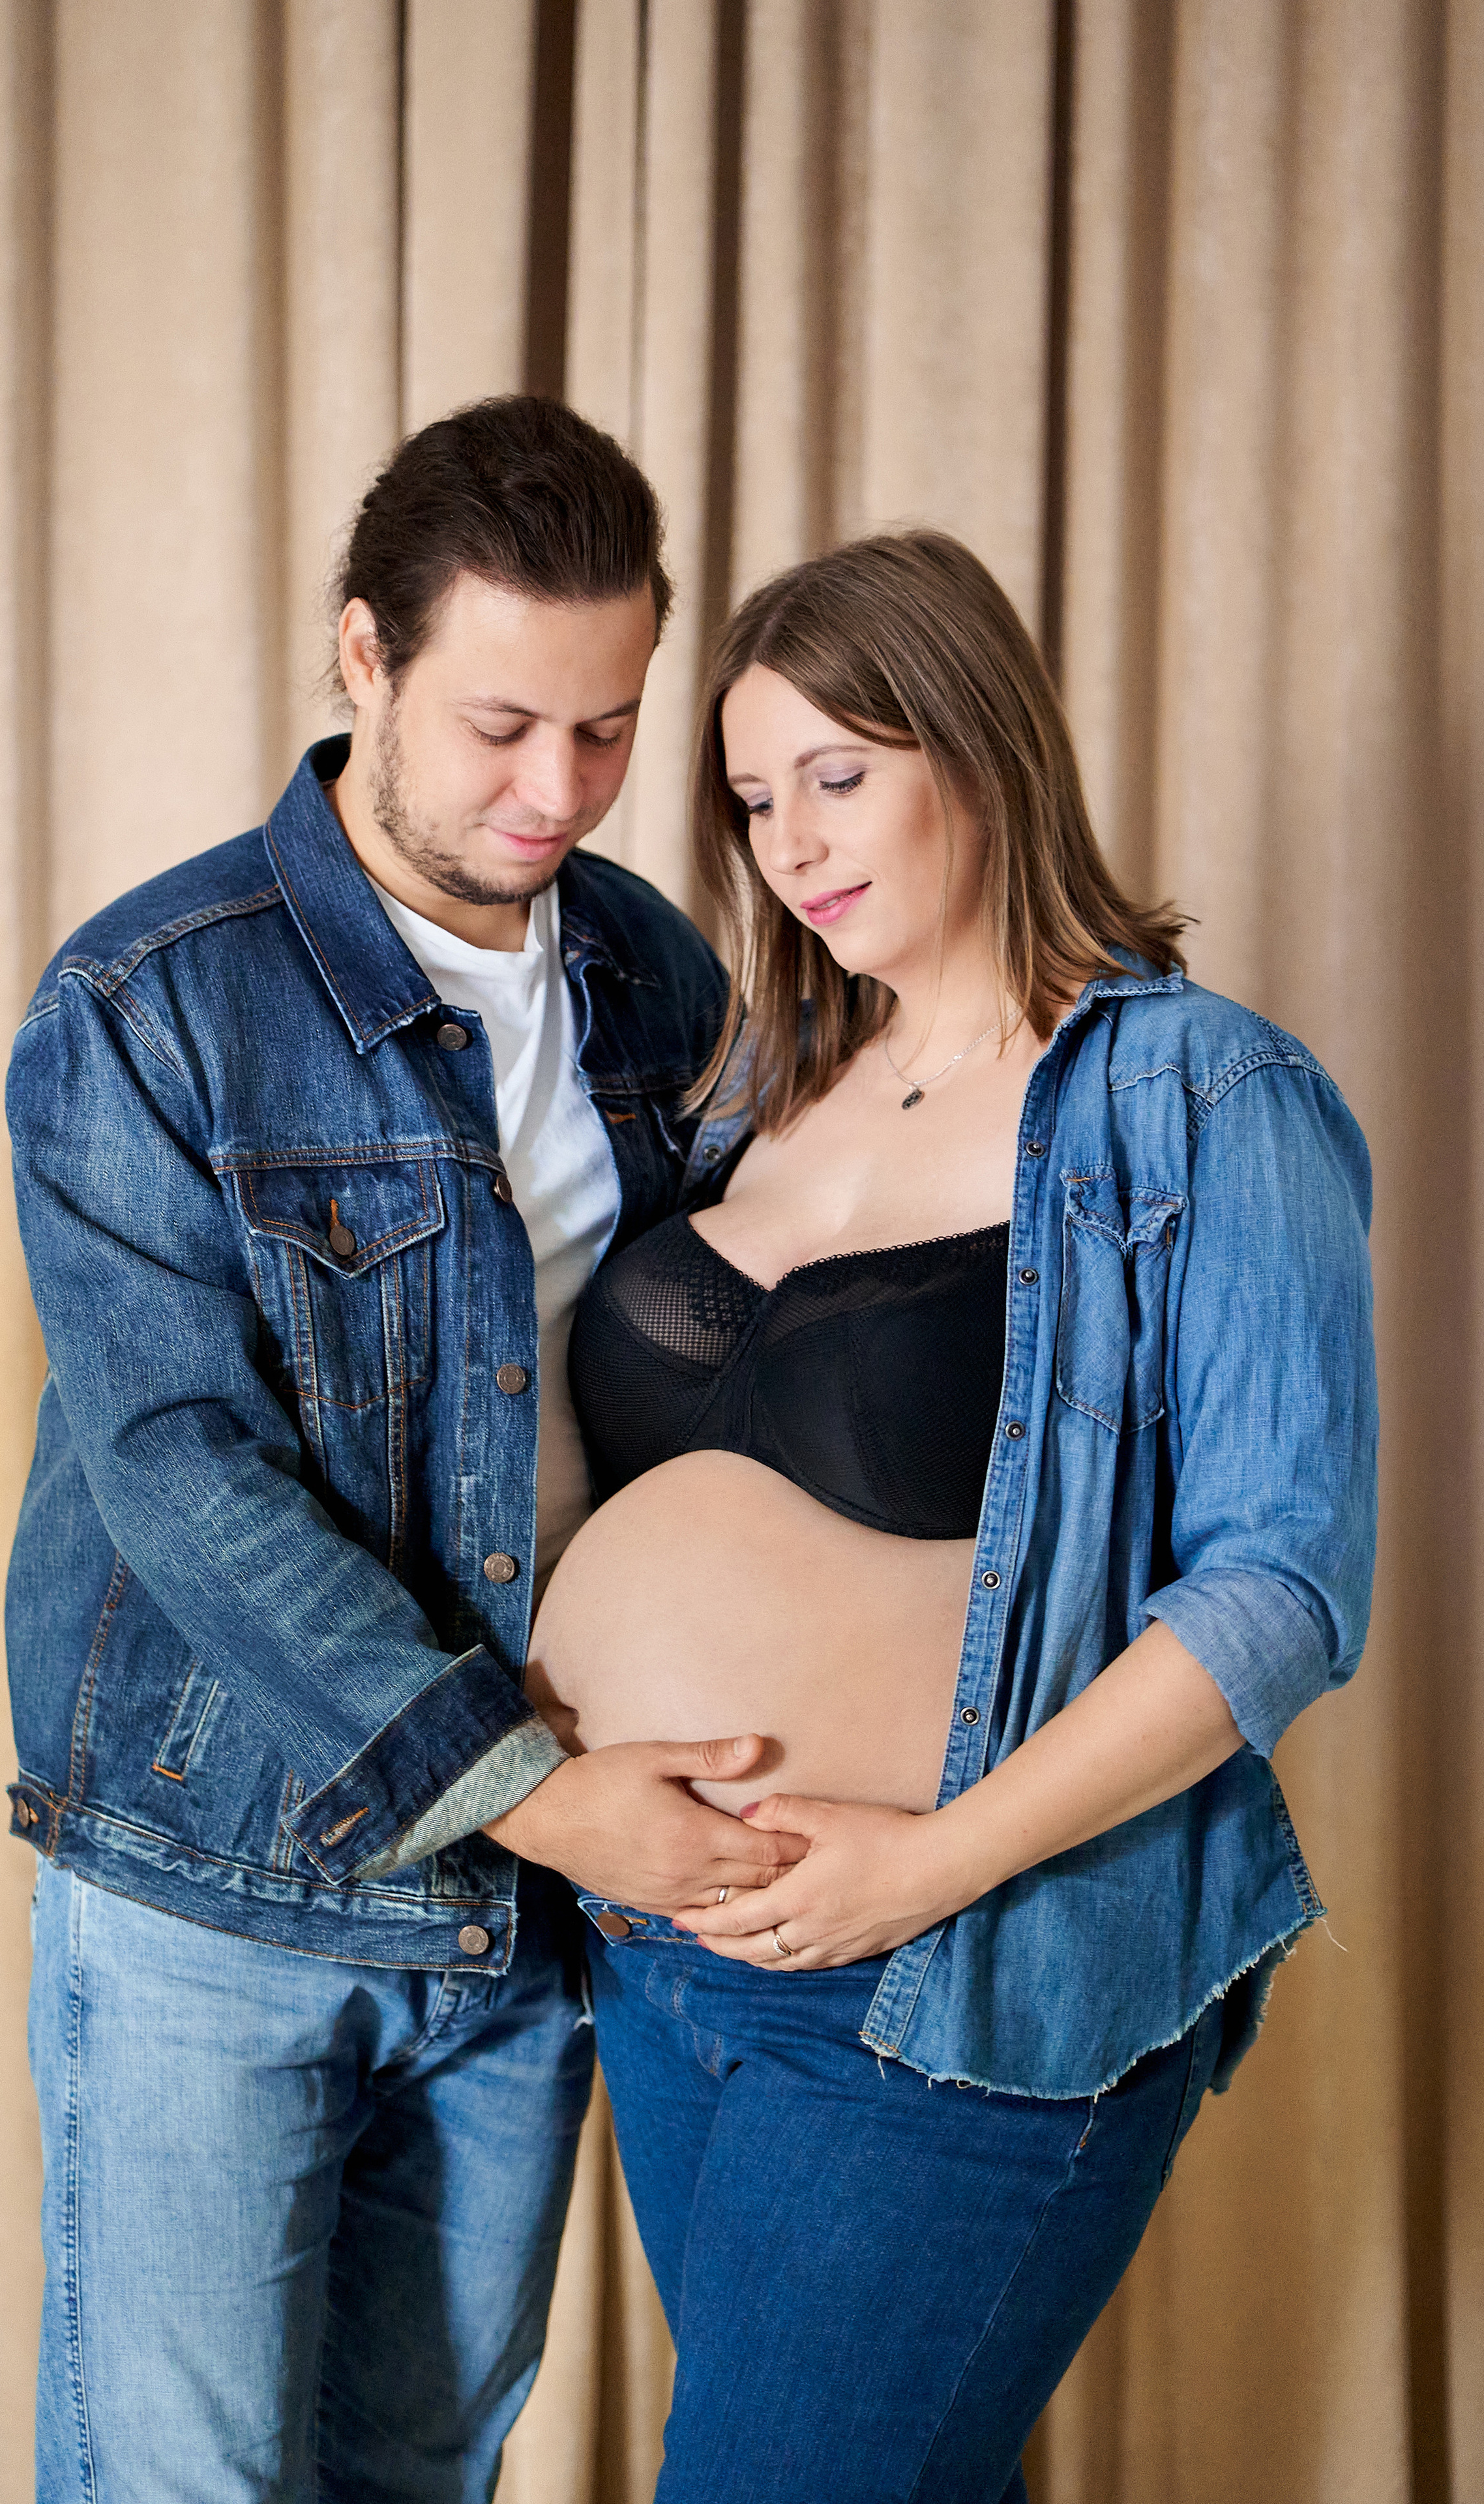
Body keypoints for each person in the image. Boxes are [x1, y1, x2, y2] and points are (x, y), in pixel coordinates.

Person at [521, 529, 1378, 2503]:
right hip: (664, 1966)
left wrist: (924, 1870)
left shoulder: (1201, 1098)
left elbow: (1284, 1589)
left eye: (842, 773)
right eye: (753, 799)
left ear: (977, 747)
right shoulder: (754, 1097)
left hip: (955, 1980)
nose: (794, 843)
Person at [5, 395, 803, 2503]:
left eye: (611, 729)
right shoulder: (142, 1006)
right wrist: (541, 1799)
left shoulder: (649, 973)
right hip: (220, 1896)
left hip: (523, 1929)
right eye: (500, 726)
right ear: (362, 657)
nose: (559, 792)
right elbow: (182, 1472)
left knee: (420, 2477)